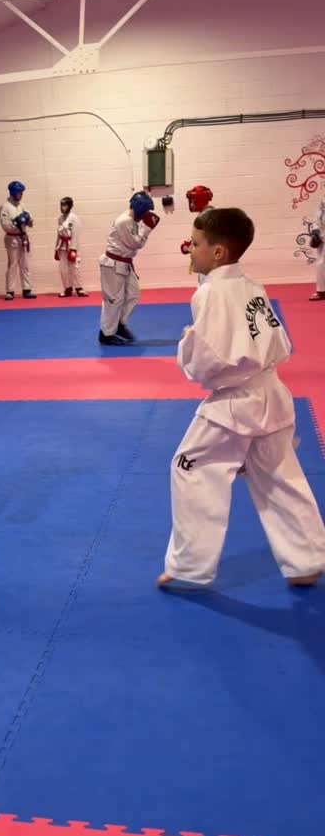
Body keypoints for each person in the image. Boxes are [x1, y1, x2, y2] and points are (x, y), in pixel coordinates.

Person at [158, 207, 325, 589]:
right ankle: (307, 559)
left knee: (189, 468)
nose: (190, 250)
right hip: (273, 395)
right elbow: (275, 340)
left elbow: (208, 360)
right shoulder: (251, 285)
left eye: (195, 244)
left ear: (218, 252)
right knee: (279, 476)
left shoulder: (210, 293)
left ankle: (189, 565)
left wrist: (186, 344)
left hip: (236, 404)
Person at [98, 191, 160, 345]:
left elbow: (134, 243)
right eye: (145, 211)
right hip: (113, 264)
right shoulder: (124, 221)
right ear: (140, 208)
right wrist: (147, 228)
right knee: (113, 300)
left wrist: (143, 228)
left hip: (125, 263)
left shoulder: (131, 220)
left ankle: (119, 325)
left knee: (133, 295)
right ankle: (106, 334)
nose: (145, 215)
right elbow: (136, 243)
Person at [0, 180, 36, 300]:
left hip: (22, 237)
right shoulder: (4, 207)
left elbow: (30, 221)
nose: (21, 195)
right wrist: (17, 222)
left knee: (25, 265)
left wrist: (28, 220)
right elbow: (5, 225)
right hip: (12, 238)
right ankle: (10, 291)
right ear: (13, 192)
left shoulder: (21, 205)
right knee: (12, 265)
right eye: (20, 193)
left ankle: (27, 289)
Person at [55, 196, 88, 297]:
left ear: (69, 206)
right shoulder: (60, 218)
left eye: (65, 205)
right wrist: (56, 248)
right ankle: (67, 288)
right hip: (62, 246)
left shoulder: (74, 218)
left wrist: (73, 249)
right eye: (62, 205)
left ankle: (79, 288)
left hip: (71, 245)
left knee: (74, 267)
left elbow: (75, 233)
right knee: (62, 268)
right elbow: (58, 234)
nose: (63, 207)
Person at [181, 185, 214, 286]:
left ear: (200, 200)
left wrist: (190, 247)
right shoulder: (208, 215)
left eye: (193, 201)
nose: (191, 204)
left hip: (209, 264)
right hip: (207, 263)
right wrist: (191, 244)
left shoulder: (208, 217)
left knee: (206, 290)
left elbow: (208, 244)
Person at [308, 216, 325, 301]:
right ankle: (321, 292)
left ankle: (321, 292)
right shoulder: (321, 209)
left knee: (321, 264)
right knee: (320, 265)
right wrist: (315, 233)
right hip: (322, 240)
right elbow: (318, 220)